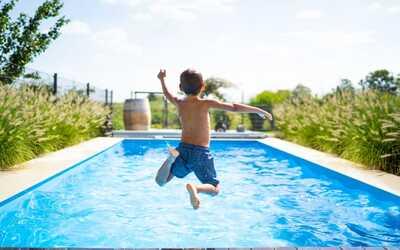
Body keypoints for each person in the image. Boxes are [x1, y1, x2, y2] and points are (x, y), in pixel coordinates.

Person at [155, 68, 272, 209]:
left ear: (180, 87)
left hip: (182, 150)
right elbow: (234, 107)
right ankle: (196, 188)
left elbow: (167, 94)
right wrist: (258, 110)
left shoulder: (179, 103)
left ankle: (170, 159)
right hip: (200, 153)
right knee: (215, 189)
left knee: (161, 181)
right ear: (203, 86)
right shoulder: (205, 103)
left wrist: (162, 79)